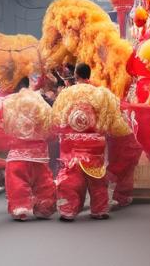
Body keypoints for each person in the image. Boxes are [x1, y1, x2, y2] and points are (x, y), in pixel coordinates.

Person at [52, 63, 130, 221]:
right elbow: (114, 124)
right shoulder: (102, 94)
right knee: (97, 179)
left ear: (76, 75)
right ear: (89, 74)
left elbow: (57, 120)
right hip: (95, 144)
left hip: (72, 144)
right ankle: (99, 209)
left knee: (70, 178)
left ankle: (68, 210)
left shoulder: (66, 94)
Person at [0, 77, 56, 221]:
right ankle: (44, 206)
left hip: (17, 152)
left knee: (17, 181)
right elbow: (51, 125)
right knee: (43, 181)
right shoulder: (38, 101)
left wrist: (2, 140)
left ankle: (21, 208)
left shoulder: (6, 102)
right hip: (39, 153)